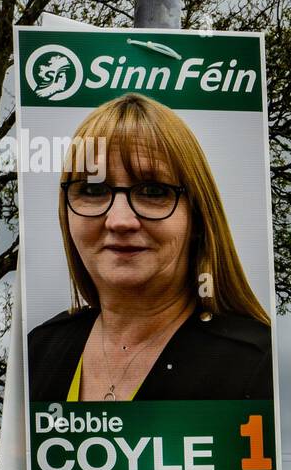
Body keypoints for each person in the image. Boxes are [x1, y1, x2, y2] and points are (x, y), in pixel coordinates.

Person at [28, 94, 272, 402]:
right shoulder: (38, 352)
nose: (119, 220)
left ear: (197, 217)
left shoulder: (257, 364)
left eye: (153, 191)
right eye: (92, 190)